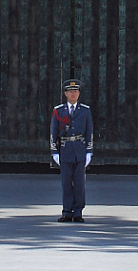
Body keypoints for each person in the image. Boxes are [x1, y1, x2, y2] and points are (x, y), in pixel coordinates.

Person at [48, 79, 95, 222]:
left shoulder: (85, 111)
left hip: (79, 149)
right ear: (65, 94)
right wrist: (54, 152)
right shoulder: (59, 111)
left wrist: (89, 151)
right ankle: (67, 211)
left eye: (75, 91)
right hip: (65, 149)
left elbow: (89, 132)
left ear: (79, 93)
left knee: (80, 184)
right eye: (70, 91)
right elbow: (53, 133)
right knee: (66, 183)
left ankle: (78, 212)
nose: (73, 94)